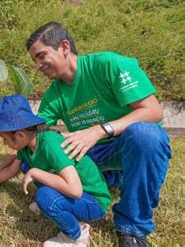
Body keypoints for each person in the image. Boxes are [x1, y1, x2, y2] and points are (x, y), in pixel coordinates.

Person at [26, 21, 171, 246]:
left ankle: (132, 227)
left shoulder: (109, 65)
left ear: (64, 47)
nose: (38, 65)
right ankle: (105, 183)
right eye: (35, 60)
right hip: (93, 156)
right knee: (48, 149)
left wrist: (99, 130)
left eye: (41, 56)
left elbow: (153, 111)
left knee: (147, 136)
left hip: (127, 147)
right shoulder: (54, 94)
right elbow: (34, 134)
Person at [0, 94, 111, 246]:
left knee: (44, 195)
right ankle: (58, 204)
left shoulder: (50, 144)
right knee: (25, 166)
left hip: (93, 201)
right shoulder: (27, 147)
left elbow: (75, 190)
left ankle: (76, 235)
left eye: (5, 138)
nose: (4, 143)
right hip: (75, 193)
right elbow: (10, 171)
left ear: (20, 135)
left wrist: (36, 172)